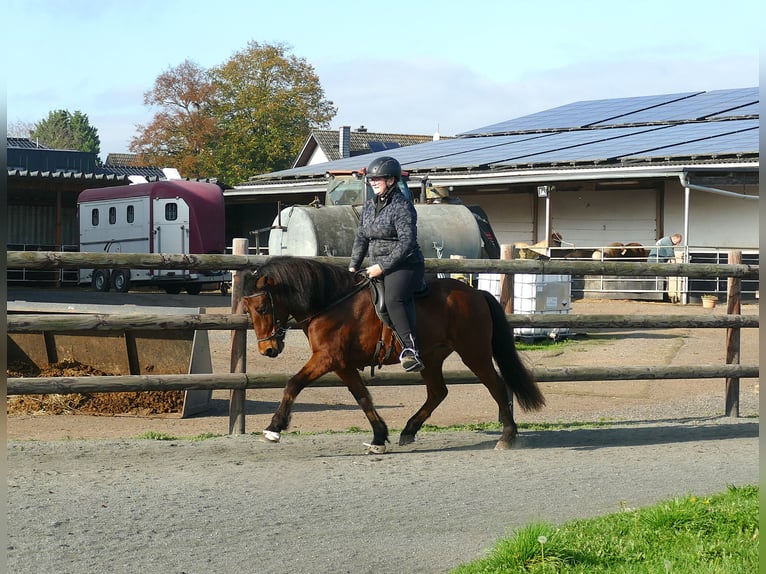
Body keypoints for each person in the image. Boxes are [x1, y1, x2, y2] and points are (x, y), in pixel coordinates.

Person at [349, 156, 426, 373]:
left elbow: (407, 242)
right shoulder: (369, 206)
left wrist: (382, 267)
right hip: (376, 264)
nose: (373, 182)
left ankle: (410, 350)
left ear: (391, 180)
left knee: (393, 299)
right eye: (371, 179)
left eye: (378, 179)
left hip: (406, 264)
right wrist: (353, 266)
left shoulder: (402, 206)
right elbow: (361, 237)